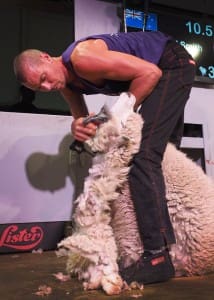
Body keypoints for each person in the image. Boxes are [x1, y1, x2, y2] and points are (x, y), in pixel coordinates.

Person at [13, 31, 196, 284]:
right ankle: (178, 247)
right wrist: (78, 127)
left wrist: (117, 115)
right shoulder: (66, 84)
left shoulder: (82, 58)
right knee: (163, 157)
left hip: (170, 65)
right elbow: (86, 124)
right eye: (38, 88)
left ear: (46, 57)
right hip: (165, 69)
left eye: (44, 78)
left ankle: (157, 257)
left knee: (144, 157)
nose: (47, 87)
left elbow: (150, 73)